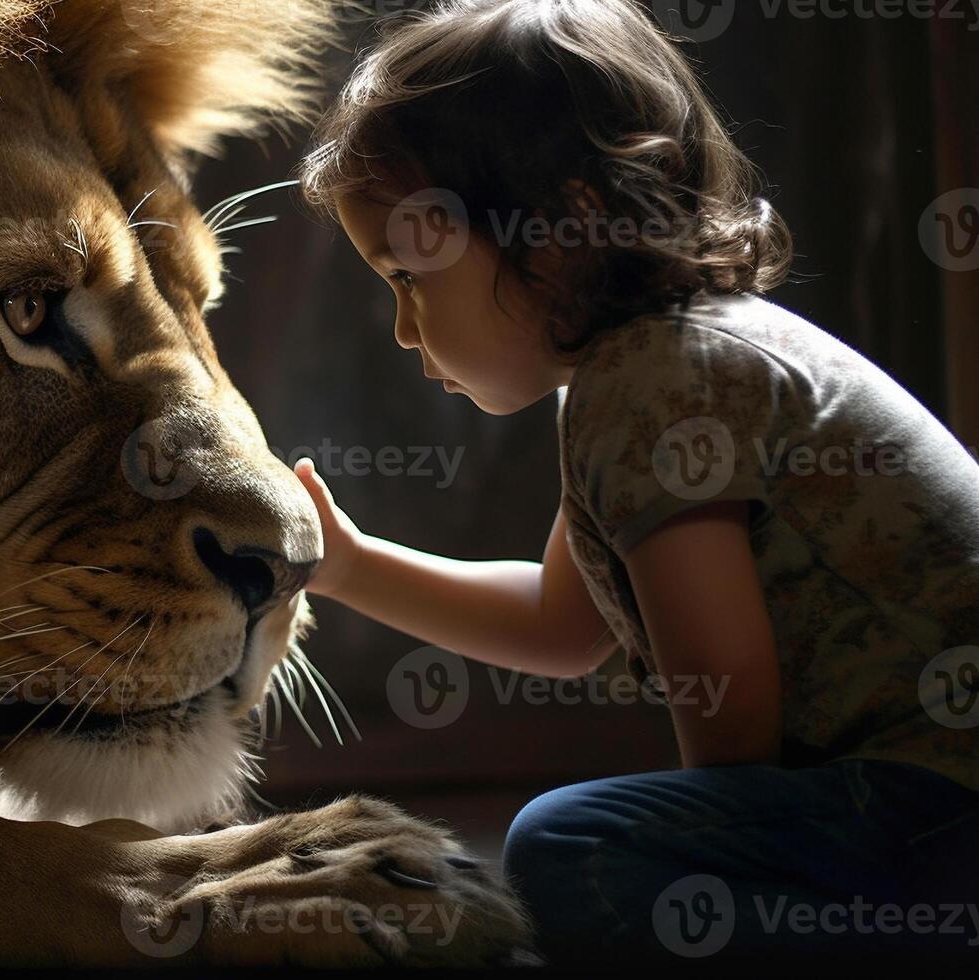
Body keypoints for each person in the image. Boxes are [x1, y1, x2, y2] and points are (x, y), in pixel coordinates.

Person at [292, 0, 979, 962]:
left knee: (575, 842)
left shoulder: (655, 381)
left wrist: (700, 858)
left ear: (563, 228)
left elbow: (730, 716)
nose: (405, 329)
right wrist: (350, 565)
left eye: (410, 278)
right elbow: (563, 626)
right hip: (922, 789)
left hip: (946, 791)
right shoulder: (644, 370)